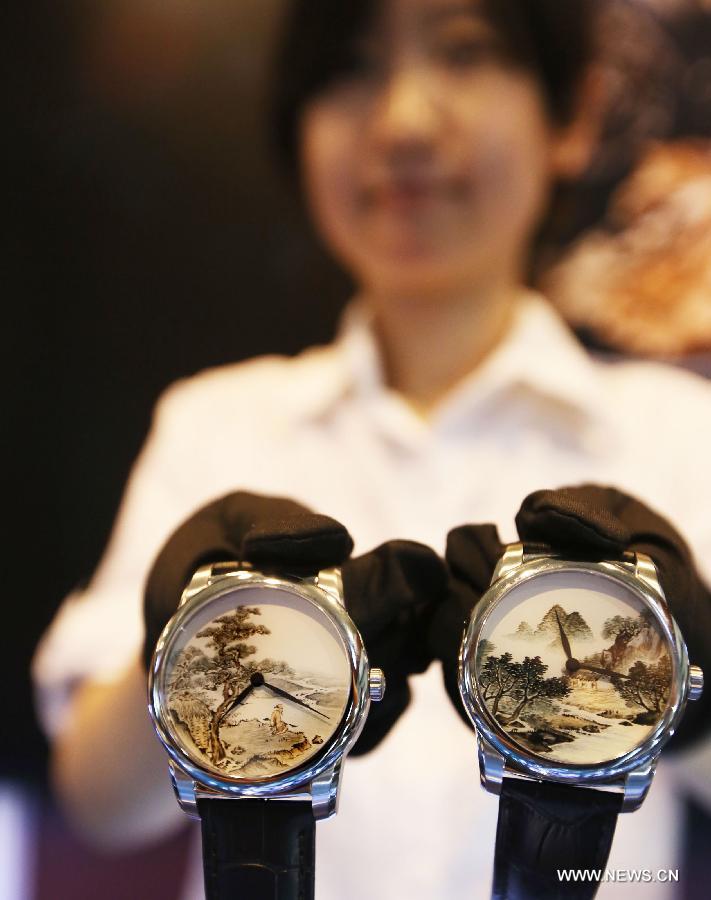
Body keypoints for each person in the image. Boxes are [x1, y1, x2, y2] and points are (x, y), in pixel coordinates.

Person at [33, 0, 711, 897]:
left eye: (465, 53)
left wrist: (691, 694)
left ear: (571, 116)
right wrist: (178, 649)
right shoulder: (215, 423)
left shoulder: (679, 428)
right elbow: (99, 803)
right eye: (349, 69)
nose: (402, 121)